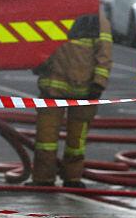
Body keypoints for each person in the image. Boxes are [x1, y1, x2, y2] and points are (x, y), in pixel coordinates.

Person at [30, 10, 112, 188]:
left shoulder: (97, 20)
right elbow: (38, 43)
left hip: (82, 91)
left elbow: (104, 54)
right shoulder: (55, 12)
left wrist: (98, 84)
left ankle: (72, 178)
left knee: (76, 142)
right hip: (54, 89)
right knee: (46, 140)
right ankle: (43, 179)